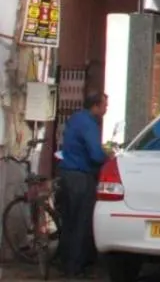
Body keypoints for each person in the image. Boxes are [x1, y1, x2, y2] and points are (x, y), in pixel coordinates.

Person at [59, 91, 108, 277]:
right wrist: (108, 158)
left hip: (67, 172)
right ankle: (75, 268)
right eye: (104, 106)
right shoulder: (89, 124)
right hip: (80, 176)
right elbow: (95, 155)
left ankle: (65, 263)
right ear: (95, 106)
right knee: (81, 222)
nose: (105, 110)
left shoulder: (76, 118)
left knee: (69, 221)